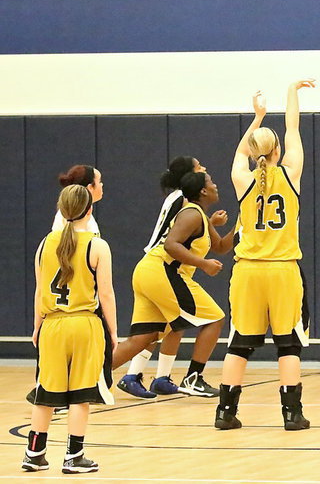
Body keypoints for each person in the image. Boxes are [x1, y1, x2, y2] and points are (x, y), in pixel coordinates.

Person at [215, 80, 315, 431]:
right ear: (276, 153)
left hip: (247, 271)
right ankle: (292, 414)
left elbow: (242, 154)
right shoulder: (291, 174)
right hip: (283, 270)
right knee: (288, 344)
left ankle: (225, 413)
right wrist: (292, 92)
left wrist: (256, 117)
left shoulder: (241, 178)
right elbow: (292, 128)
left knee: (240, 344)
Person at [22, 185, 117, 473]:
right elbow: (107, 294)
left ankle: (34, 453)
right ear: (89, 209)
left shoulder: (44, 244)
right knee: (80, 393)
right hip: (84, 324)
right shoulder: (97, 245)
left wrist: (37, 327)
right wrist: (112, 332)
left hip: (51, 324)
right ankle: (74, 456)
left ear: (61, 209)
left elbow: (40, 293)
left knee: (45, 392)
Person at [112, 171, 233, 397]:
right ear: (203, 191)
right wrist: (203, 264)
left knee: (142, 338)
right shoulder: (192, 214)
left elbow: (221, 246)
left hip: (149, 272)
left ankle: (87, 381)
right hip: (161, 271)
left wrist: (245, 225)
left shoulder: (200, 216)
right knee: (215, 319)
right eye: (211, 182)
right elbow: (170, 245)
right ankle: (193, 377)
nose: (216, 185)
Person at [52, 165, 103, 234]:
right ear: (90, 187)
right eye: (99, 181)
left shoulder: (84, 213)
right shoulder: (70, 216)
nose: (101, 184)